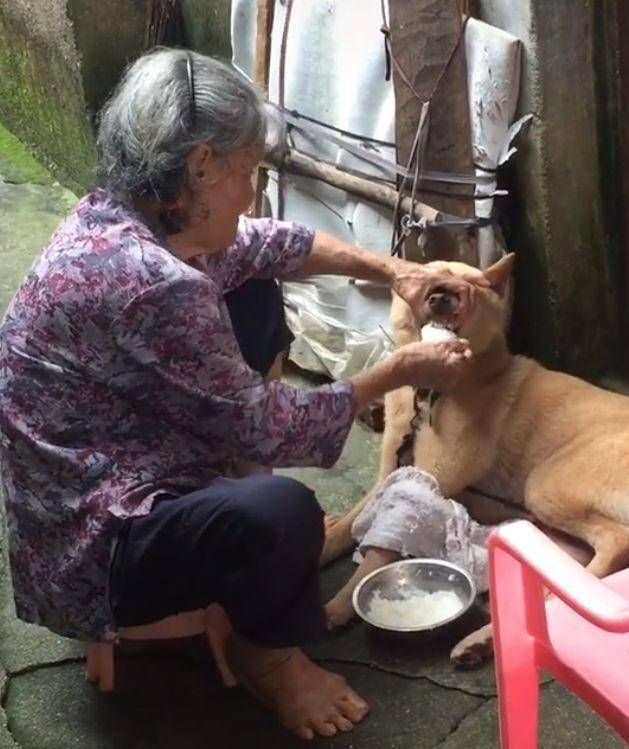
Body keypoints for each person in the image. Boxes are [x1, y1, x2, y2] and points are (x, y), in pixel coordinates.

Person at [0, 48, 476, 740]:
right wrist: (401, 370)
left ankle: (237, 544)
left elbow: (268, 243)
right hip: (93, 539)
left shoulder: (126, 213)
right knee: (281, 512)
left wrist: (395, 268)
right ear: (200, 164)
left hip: (114, 449)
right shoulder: (151, 283)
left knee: (252, 286)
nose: (251, 193)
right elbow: (267, 428)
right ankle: (269, 653)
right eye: (246, 171)